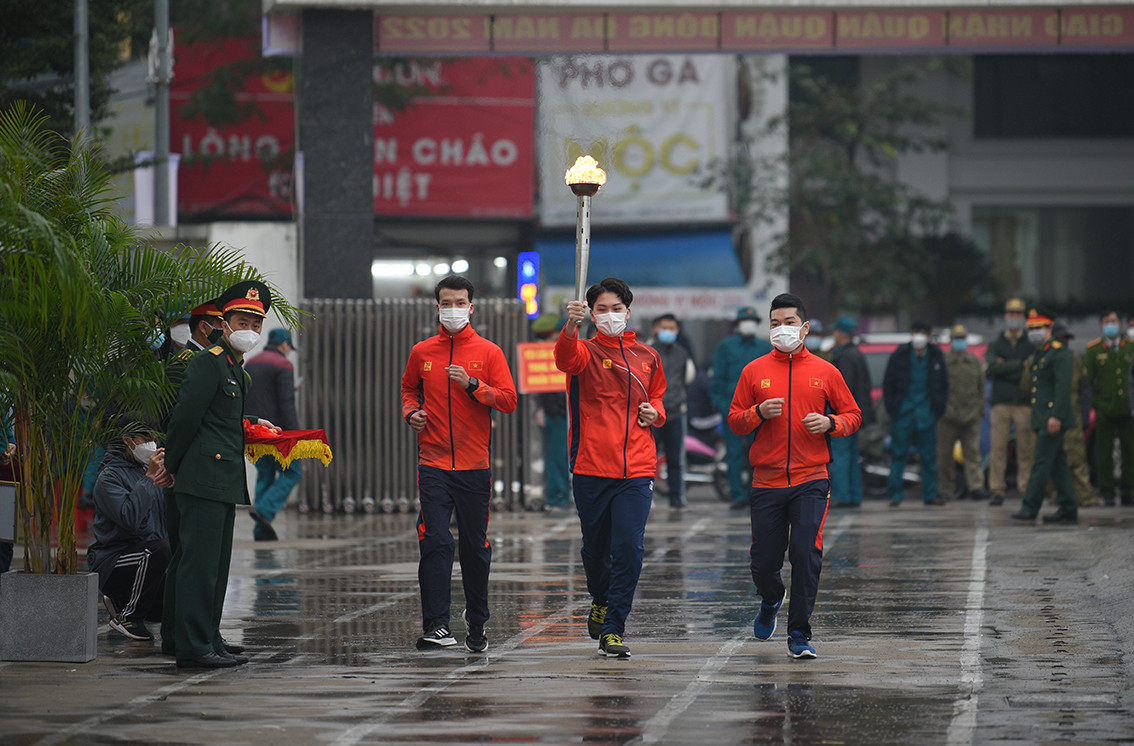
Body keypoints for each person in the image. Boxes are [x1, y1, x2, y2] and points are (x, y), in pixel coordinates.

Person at [729, 293, 861, 660]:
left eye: (788, 322)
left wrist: (830, 422)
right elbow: (735, 419)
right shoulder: (753, 371)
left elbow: (853, 415)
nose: (781, 329)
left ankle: (799, 635)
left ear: (804, 327)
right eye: (774, 324)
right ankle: (771, 598)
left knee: (805, 554)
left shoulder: (826, 371)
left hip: (811, 479)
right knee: (763, 564)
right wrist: (756, 412)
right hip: (766, 481)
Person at [164, 280, 280, 669]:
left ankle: (208, 636)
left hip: (220, 477)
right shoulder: (208, 362)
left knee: (214, 565)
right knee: (198, 565)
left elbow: (219, 417)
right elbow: (184, 420)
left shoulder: (233, 366)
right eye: (242, 320)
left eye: (255, 323)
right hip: (201, 476)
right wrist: (172, 468)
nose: (249, 329)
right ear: (223, 322)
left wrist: (251, 423)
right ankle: (193, 647)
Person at [401, 275, 517, 653]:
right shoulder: (422, 351)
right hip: (433, 463)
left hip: (474, 466)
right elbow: (408, 388)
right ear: (437, 307)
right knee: (434, 540)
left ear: (472, 307)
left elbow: (508, 399)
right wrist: (411, 412)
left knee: (474, 547)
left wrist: (472, 385)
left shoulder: (489, 352)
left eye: (460, 302)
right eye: (446, 303)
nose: (453, 309)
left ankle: (477, 619)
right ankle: (436, 625)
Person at [555, 277, 666, 658]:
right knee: (595, 550)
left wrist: (656, 413)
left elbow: (659, 398)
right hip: (591, 467)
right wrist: (571, 325)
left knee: (629, 548)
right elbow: (563, 359)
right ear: (591, 313)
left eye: (616, 309)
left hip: (637, 469)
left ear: (628, 312)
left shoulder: (648, 357)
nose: (610, 316)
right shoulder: (584, 351)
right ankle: (600, 598)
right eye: (601, 309)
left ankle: (614, 628)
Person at [159, 299, 225, 657]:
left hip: (191, 464)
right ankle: (187, 637)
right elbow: (181, 417)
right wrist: (170, 462)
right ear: (208, 326)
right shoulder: (190, 363)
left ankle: (185, 635)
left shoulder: (211, 361)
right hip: (187, 468)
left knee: (188, 557)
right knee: (191, 559)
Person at [87, 413, 172, 640]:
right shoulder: (109, 477)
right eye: (146, 439)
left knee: (173, 557)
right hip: (113, 560)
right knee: (159, 550)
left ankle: (128, 603)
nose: (152, 444)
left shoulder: (147, 471)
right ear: (128, 440)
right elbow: (131, 520)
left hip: (146, 558)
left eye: (155, 438)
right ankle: (128, 617)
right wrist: (149, 478)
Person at [1011, 311, 1078, 524]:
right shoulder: (1040, 355)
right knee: (1057, 464)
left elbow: (1062, 388)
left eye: (1039, 328)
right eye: (1030, 329)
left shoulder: (1059, 353)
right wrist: (1038, 421)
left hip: (1053, 418)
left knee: (1040, 463)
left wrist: (1055, 416)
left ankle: (1029, 507)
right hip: (1043, 418)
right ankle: (1068, 507)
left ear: (1049, 329)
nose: (1034, 333)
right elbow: (1036, 392)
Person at [711, 307, 773, 509]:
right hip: (733, 408)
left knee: (758, 452)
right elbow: (718, 379)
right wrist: (722, 406)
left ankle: (755, 492)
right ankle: (737, 495)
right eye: (745, 320)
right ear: (737, 324)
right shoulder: (725, 347)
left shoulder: (764, 347)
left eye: (752, 320)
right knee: (734, 453)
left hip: (759, 409)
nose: (749, 323)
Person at [882, 321, 948, 507]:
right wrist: (892, 408)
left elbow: (943, 385)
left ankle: (931, 494)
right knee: (898, 454)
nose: (919, 336)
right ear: (911, 333)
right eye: (916, 332)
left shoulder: (936, 356)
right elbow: (889, 383)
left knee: (928, 456)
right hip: (903, 413)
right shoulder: (900, 355)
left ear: (929, 336)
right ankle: (895, 494)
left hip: (926, 413)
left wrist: (938, 409)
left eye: (923, 333)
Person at [245, 328, 301, 540]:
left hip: (255, 432)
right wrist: (294, 435)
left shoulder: (251, 362)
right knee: (293, 472)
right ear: (284, 344)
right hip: (277, 432)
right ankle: (266, 510)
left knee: (266, 474)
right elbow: (286, 404)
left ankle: (261, 531)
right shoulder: (284, 365)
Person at [986, 298, 1036, 506]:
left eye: (1018, 314)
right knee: (997, 448)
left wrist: (1006, 366)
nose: (1014, 318)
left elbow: (1031, 369)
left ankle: (1025, 487)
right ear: (1005, 316)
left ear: (1023, 317)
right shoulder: (996, 343)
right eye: (1011, 313)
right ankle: (997, 489)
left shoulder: (1030, 342)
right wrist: (1018, 366)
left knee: (1025, 449)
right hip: (1001, 403)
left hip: (1024, 402)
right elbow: (992, 369)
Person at [1083, 310, 1134, 506]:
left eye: (1113, 321)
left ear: (1120, 325)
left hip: (1127, 407)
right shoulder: (1094, 349)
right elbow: (1090, 381)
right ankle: (1107, 492)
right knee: (1103, 452)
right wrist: (1096, 403)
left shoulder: (1130, 346)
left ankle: (1129, 490)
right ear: (1101, 326)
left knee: (1129, 451)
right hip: (1104, 407)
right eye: (1106, 322)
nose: (1110, 325)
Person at [1043, 323, 1094, 507]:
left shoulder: (1076, 360)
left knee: (1077, 460)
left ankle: (1085, 497)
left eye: (1066, 340)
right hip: (1052, 416)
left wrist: (1086, 416)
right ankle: (1057, 496)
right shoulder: (1046, 359)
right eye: (1060, 340)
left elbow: (1085, 390)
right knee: (1054, 460)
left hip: (1074, 416)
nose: (1064, 343)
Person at [649, 313, 696, 509]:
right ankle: (646, 496)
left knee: (676, 459)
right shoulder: (647, 351)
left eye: (672, 328)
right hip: (652, 413)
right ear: (655, 329)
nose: (668, 331)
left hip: (676, 412)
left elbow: (688, 378)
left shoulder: (682, 353)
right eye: (664, 327)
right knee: (648, 458)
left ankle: (677, 497)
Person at [936, 324, 987, 501]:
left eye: (962, 339)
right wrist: (942, 410)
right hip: (947, 416)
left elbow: (981, 388)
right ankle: (946, 489)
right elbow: (937, 388)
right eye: (956, 339)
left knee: (972, 453)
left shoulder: (973, 361)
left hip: (970, 416)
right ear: (950, 341)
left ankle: (976, 487)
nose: (959, 342)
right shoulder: (943, 362)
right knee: (944, 456)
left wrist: (980, 409)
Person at [828, 316, 873, 507]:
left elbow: (842, 388)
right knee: (852, 456)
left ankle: (843, 495)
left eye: (835, 331)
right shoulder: (856, 353)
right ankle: (855, 495)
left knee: (840, 455)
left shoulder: (844, 356)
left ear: (840, 333)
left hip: (842, 414)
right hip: (855, 414)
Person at [532, 314, 570, 511]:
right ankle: (558, 497)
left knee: (559, 457)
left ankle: (559, 495)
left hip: (560, 412)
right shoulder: (552, 351)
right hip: (558, 414)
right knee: (558, 457)